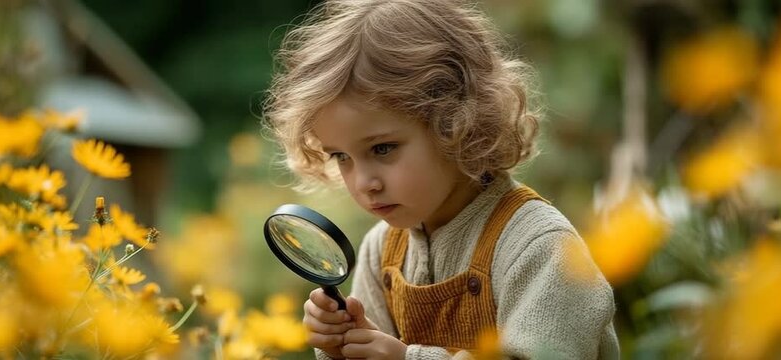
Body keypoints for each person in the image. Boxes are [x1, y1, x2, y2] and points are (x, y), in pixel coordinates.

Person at [263, 0, 619, 358]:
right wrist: (340, 345)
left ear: (458, 124)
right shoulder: (382, 251)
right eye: (341, 156)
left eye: (383, 149)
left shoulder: (539, 246)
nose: (363, 182)